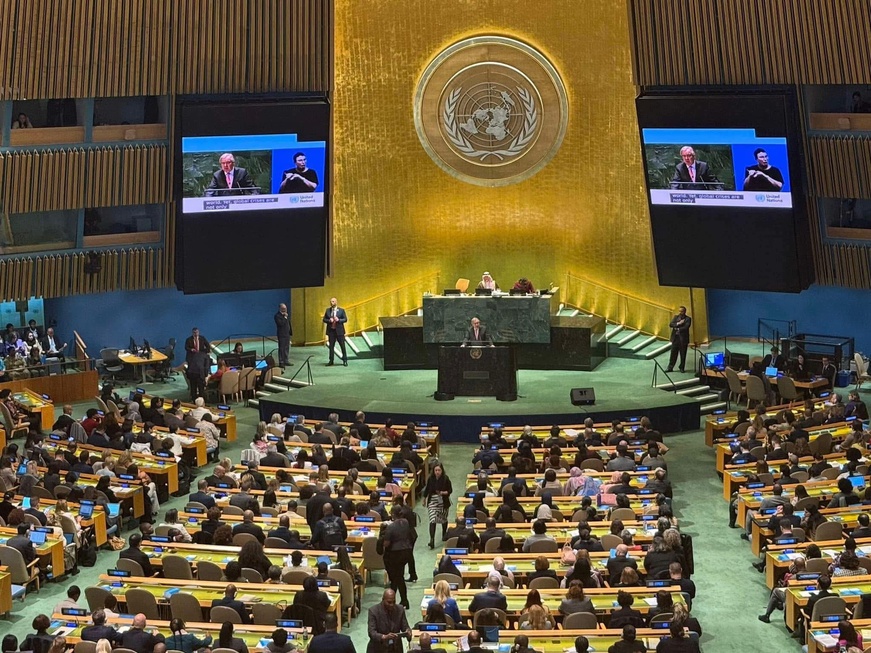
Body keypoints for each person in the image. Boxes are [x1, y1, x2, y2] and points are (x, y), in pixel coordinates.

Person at [380, 505, 415, 609]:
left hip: (395, 555)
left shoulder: (391, 527)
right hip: (406, 553)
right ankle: (396, 599)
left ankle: (403, 601)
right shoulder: (405, 522)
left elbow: (386, 544)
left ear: (392, 514)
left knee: (398, 578)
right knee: (397, 578)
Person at [423, 463, 452, 548]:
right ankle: (432, 540)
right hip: (433, 501)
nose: (437, 472)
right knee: (432, 520)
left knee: (443, 519)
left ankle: (444, 533)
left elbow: (450, 490)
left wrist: (443, 492)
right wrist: (424, 499)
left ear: (442, 471)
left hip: (443, 502)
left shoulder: (446, 479)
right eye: (436, 470)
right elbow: (427, 489)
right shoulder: (430, 479)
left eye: (439, 470)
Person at [184, 327, 210, 401]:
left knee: (200, 386)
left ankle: (201, 400)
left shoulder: (202, 338)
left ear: (198, 332)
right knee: (193, 386)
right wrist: (191, 349)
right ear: (192, 333)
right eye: (194, 332)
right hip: (192, 360)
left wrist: (202, 352)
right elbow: (186, 348)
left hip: (200, 363)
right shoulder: (188, 339)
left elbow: (208, 346)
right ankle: (194, 398)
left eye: (197, 332)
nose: (195, 334)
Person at [323, 297, 348, 366]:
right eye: (331, 301)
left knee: (342, 346)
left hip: (339, 331)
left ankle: (345, 360)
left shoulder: (341, 310)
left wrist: (339, 320)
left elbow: (345, 319)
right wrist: (329, 320)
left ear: (336, 302)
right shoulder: (328, 310)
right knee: (331, 347)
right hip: (331, 331)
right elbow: (324, 319)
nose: (331, 303)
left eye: (333, 301)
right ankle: (331, 361)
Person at [666, 306, 691, 373]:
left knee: (683, 355)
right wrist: (678, 323)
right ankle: (670, 367)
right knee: (673, 354)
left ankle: (682, 367)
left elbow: (686, 327)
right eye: (679, 311)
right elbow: (671, 324)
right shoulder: (675, 317)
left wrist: (677, 328)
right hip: (675, 339)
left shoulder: (688, 319)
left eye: (682, 311)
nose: (680, 312)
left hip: (683, 339)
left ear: (685, 311)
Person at [275, 303, 292, 368]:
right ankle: (281, 362)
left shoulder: (286, 315)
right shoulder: (277, 316)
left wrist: (290, 332)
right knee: (281, 348)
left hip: (287, 334)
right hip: (281, 335)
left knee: (286, 348)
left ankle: (286, 360)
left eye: (285, 308)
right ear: (280, 308)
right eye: (283, 308)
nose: (285, 310)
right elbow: (280, 324)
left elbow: (288, 324)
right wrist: (284, 317)